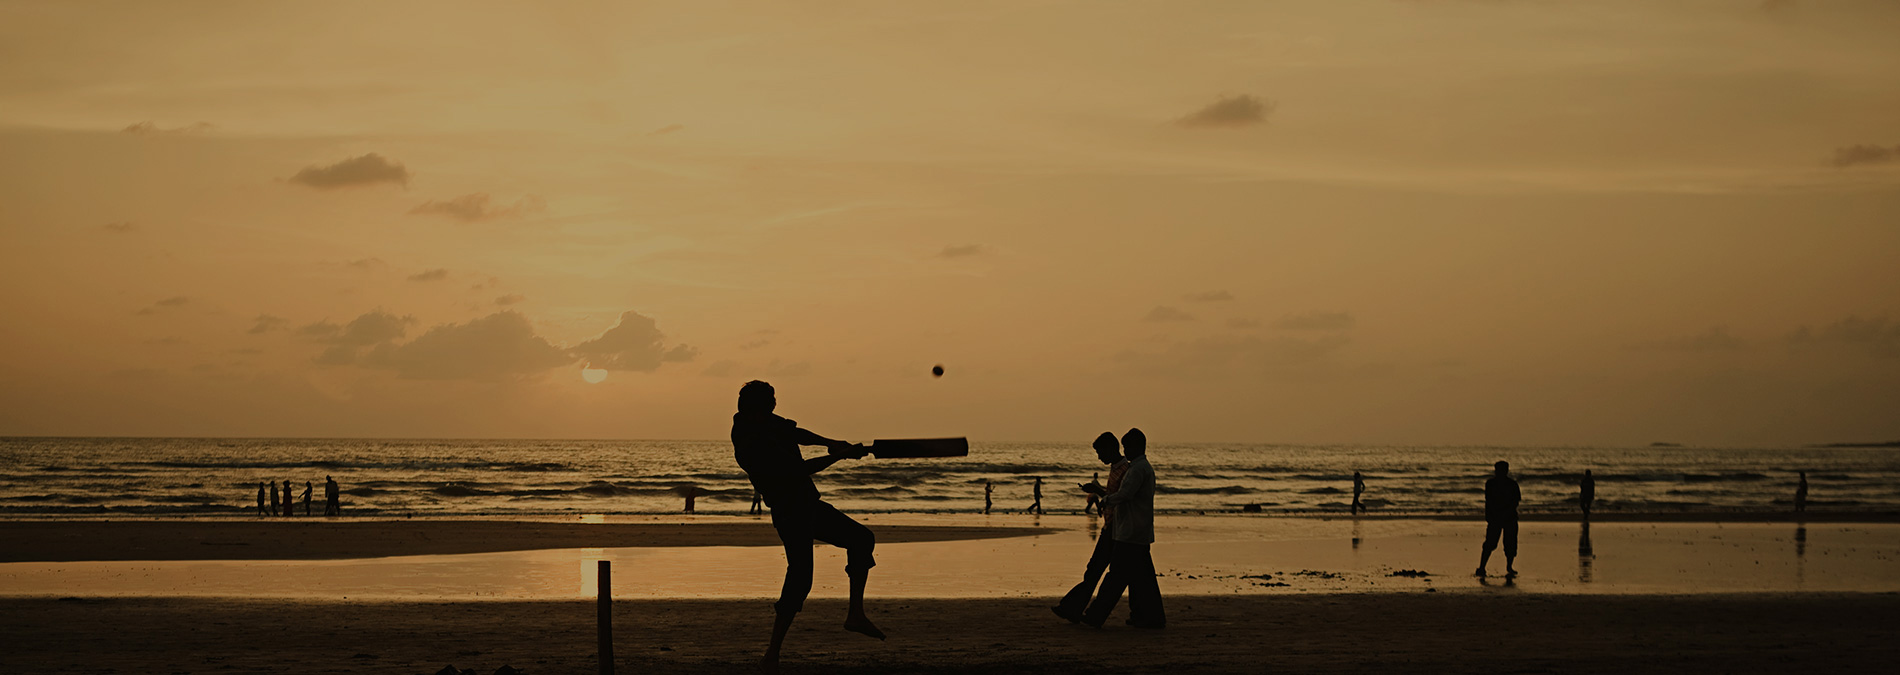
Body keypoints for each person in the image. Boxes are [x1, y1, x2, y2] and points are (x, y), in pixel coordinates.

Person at [730, 380, 882, 674]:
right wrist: (837, 456)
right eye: (771, 401)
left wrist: (831, 442)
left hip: (809, 505)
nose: (776, 404)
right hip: (790, 513)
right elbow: (797, 470)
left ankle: (855, 614)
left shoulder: (762, 421)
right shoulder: (751, 443)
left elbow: (794, 432)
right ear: (758, 408)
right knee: (800, 581)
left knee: (862, 539)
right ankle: (771, 655)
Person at [1081, 428, 1165, 629]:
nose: (1124, 450)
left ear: (1137, 447)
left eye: (1127, 446)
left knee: (1116, 576)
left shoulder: (1137, 470)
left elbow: (1125, 494)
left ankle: (1095, 615)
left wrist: (1106, 500)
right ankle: (1149, 616)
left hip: (1130, 533)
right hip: (1138, 532)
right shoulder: (1142, 467)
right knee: (1142, 579)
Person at [1053, 432, 1128, 623]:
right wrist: (1096, 490)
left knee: (1097, 570)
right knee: (1099, 571)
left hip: (1115, 529)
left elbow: (1120, 499)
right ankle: (1077, 609)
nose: (1099, 457)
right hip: (1111, 527)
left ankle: (1074, 609)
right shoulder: (1117, 469)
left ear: (1111, 449)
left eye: (1100, 452)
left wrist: (1098, 492)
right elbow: (1113, 496)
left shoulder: (1124, 470)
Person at [1476, 461, 1521, 578]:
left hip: (1508, 517)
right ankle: (1482, 567)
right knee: (1490, 543)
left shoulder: (1512, 484)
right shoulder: (1491, 484)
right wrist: (1489, 515)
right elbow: (1488, 501)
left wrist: (1504, 513)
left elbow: (1515, 502)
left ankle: (1509, 567)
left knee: (1510, 544)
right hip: (1496, 517)